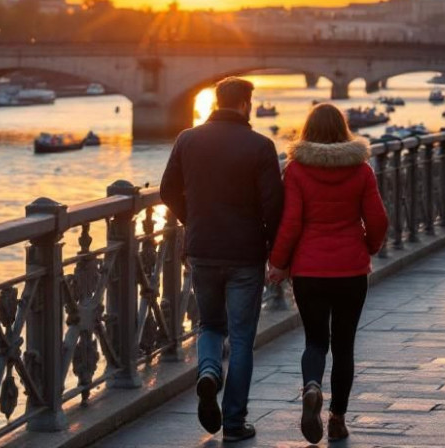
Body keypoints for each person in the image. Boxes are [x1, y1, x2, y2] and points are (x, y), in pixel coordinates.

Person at [160, 77, 283, 442]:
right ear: (246, 105)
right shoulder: (261, 146)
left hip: (203, 250)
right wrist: (276, 252)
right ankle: (233, 422)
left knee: (210, 325)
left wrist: (193, 220)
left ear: (217, 101)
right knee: (243, 338)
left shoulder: (187, 139)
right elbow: (274, 205)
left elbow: (168, 191)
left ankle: (209, 371)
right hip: (245, 253)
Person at [266, 104, 388, 444]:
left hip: (309, 269)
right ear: (343, 129)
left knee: (315, 340)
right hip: (350, 270)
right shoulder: (361, 169)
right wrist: (368, 246)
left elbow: (290, 224)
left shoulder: (296, 170)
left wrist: (278, 262)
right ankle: (337, 419)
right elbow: (378, 220)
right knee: (344, 345)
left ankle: (312, 386)